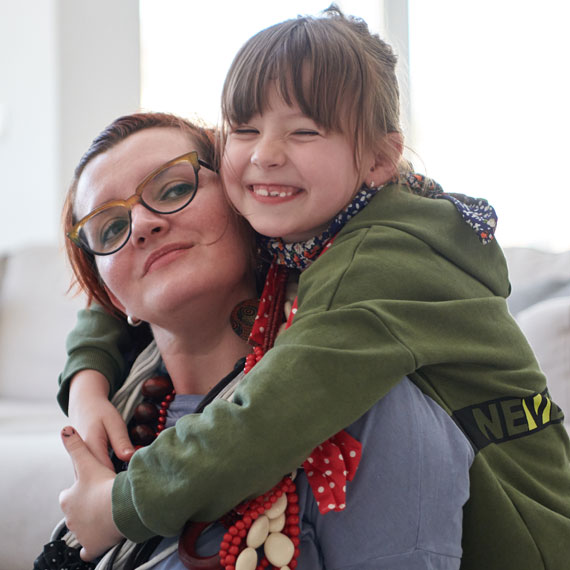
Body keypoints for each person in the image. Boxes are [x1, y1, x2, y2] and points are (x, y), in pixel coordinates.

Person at [56, 7, 570, 570]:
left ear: (378, 159)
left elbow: (270, 417)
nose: (266, 154)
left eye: (304, 130)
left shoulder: (377, 260)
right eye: (245, 129)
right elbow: (125, 274)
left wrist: (120, 505)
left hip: (524, 540)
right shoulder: (295, 219)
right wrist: (86, 381)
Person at [49, 111, 471, 570]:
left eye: (174, 189)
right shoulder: (113, 428)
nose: (144, 224)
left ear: (246, 202)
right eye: (111, 227)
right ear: (112, 295)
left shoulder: (364, 404)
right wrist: (85, 384)